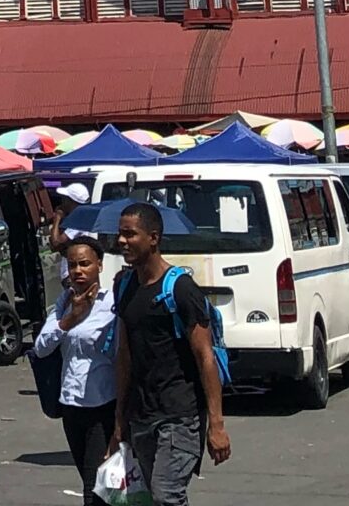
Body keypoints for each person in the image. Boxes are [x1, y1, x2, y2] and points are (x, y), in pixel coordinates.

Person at [111, 203, 230, 506]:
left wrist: (216, 425)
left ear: (153, 237)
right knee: (148, 497)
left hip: (179, 416)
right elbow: (124, 355)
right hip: (141, 415)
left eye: (130, 234)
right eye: (120, 234)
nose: (122, 241)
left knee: (167, 496)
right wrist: (120, 418)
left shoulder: (181, 289)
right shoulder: (124, 286)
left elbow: (206, 357)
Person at [32, 235, 119, 506]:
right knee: (91, 481)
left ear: (99, 266)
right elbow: (41, 348)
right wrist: (71, 318)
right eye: (72, 266)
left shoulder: (113, 304)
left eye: (84, 264)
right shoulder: (63, 303)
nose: (78, 271)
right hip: (71, 404)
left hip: (102, 405)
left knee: (95, 488)